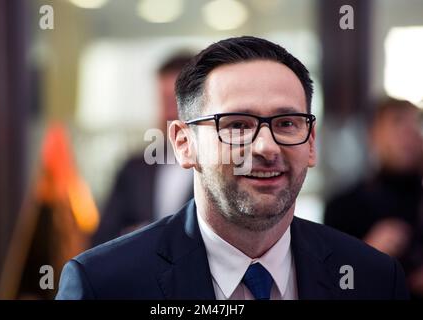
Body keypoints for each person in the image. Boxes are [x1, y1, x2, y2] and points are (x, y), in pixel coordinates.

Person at [56, 36, 409, 300]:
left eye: (287, 123)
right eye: (237, 125)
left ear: (311, 142)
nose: (266, 147)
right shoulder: (104, 285)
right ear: (184, 143)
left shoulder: (373, 279)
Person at [91, 53, 194, 246]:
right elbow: (102, 238)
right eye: (164, 101)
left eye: (177, 102)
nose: (170, 113)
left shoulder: (222, 166)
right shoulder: (134, 168)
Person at [325, 98, 423, 298]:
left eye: (416, 124)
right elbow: (329, 284)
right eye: (398, 123)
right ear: (373, 134)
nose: (410, 133)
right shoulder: (343, 206)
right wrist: (367, 253)